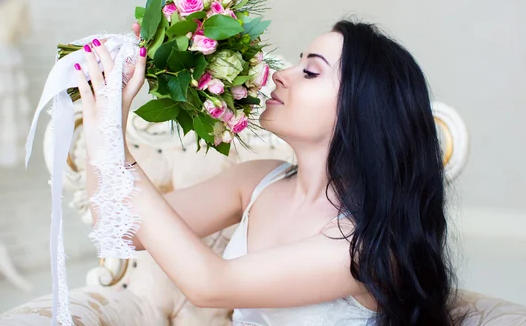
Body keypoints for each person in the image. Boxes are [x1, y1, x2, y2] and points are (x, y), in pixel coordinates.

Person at [74, 19, 459, 326]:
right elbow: (117, 224)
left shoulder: (368, 247)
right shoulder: (256, 181)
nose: (281, 74)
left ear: (361, 111)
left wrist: (106, 135)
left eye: (310, 72)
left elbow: (210, 285)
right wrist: (111, 120)